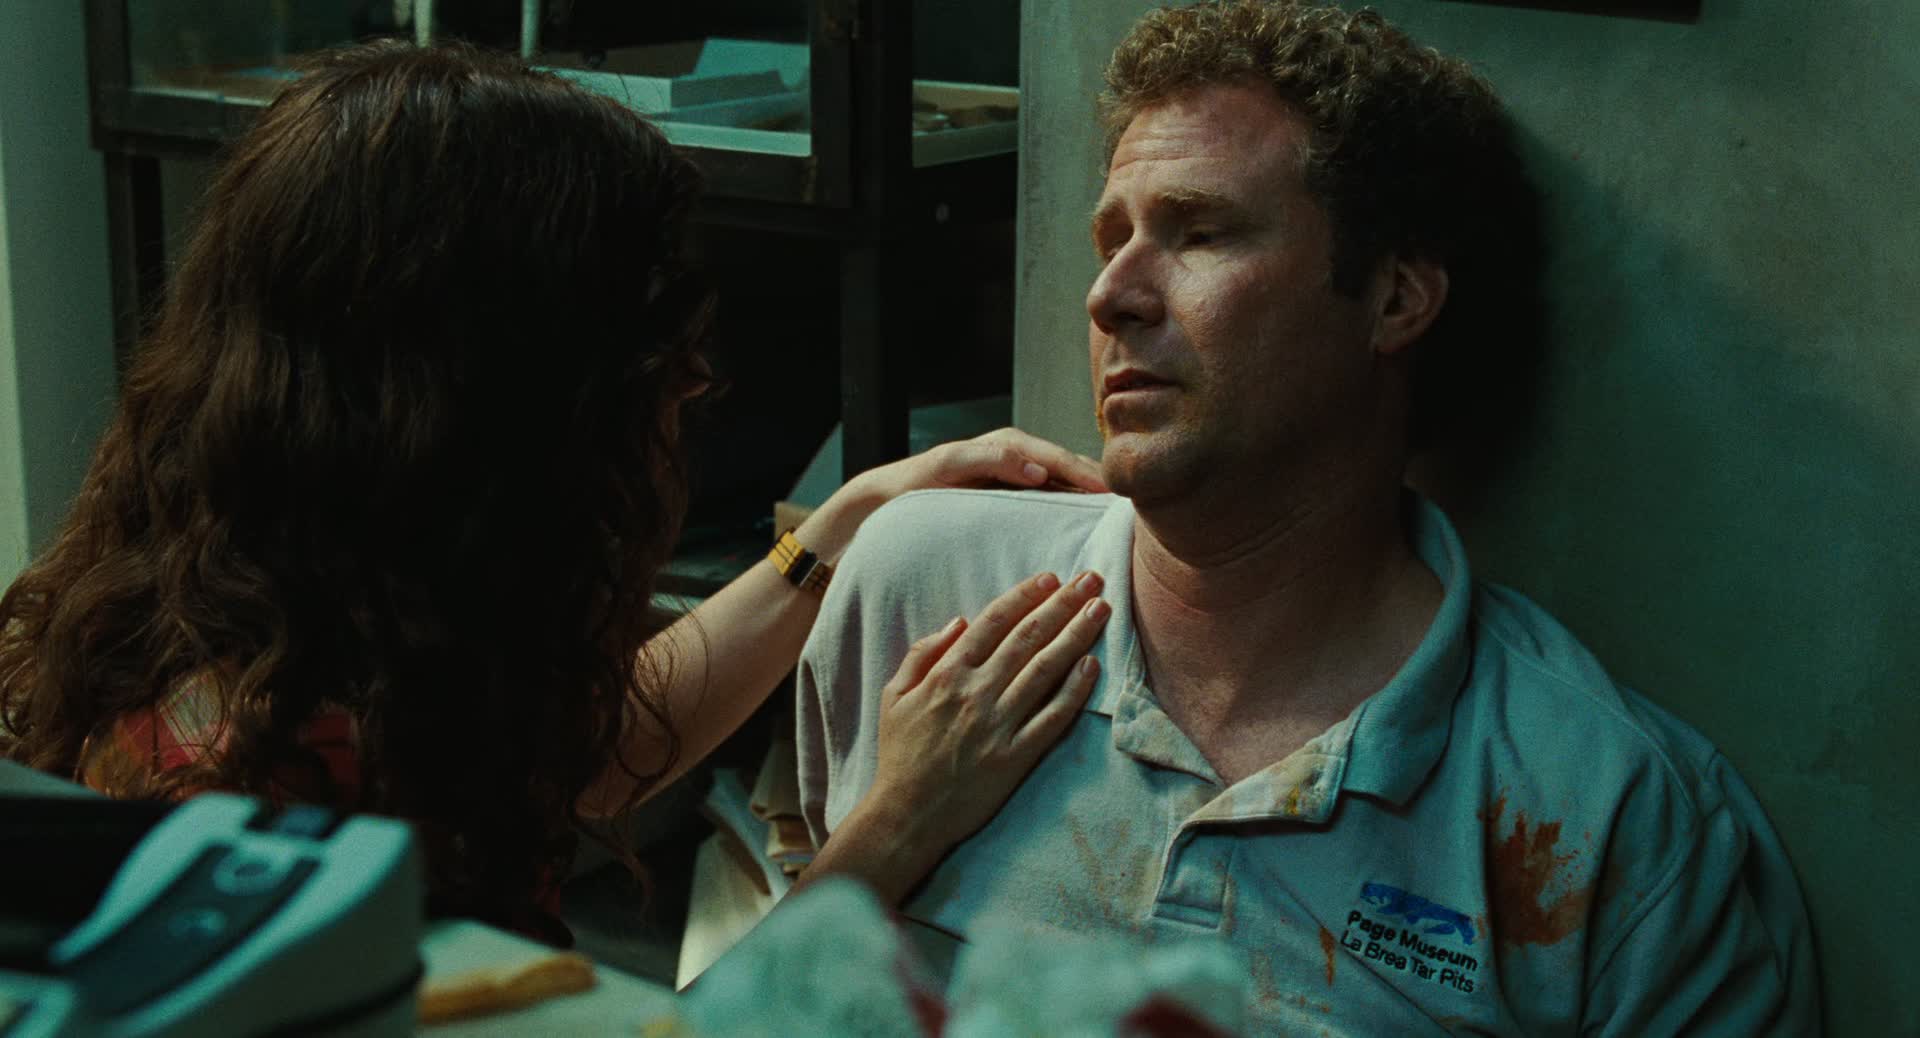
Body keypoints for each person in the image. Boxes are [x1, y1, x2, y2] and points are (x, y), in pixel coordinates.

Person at [795, 2, 1820, 1033]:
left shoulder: (1607, 812)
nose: (1111, 295)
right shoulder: (927, 592)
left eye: (1201, 233)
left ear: (1395, 300)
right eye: (1112, 239)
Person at [0, 41, 1111, 943]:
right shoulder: (262, 805)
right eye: (651, 363)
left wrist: (833, 532)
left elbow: (587, 751)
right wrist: (899, 822)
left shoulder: (295, 625)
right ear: (501, 411)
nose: (689, 390)